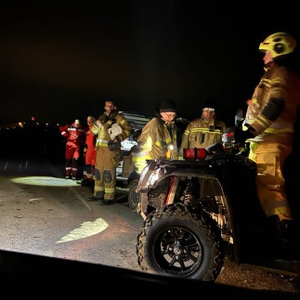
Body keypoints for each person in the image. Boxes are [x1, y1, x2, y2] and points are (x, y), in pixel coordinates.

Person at [234, 32, 300, 248]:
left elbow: (275, 105)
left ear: (279, 51)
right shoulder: (274, 74)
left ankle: (283, 230)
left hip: (270, 141)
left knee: (270, 187)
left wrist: (251, 130)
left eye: (266, 52)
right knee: (262, 186)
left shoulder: (281, 73)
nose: (263, 57)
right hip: (263, 142)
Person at [89, 100, 132, 205]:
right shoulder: (101, 117)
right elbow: (94, 132)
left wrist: (119, 138)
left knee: (108, 173)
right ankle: (98, 193)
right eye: (107, 106)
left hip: (111, 150)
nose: (109, 107)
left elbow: (128, 129)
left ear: (114, 107)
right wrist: (97, 124)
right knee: (98, 172)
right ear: (104, 107)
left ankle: (109, 197)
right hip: (100, 150)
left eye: (111, 106)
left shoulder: (118, 117)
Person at [132, 100, 178, 174]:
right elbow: (141, 149)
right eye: (169, 115)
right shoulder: (154, 125)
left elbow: (173, 150)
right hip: (152, 169)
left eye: (173, 115)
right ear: (161, 113)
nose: (171, 118)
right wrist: (141, 172)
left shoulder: (172, 127)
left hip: (165, 170)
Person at [77, 115, 97, 187]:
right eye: (88, 120)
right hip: (88, 150)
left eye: (91, 120)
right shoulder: (86, 130)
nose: (89, 121)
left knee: (94, 166)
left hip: (95, 151)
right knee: (87, 165)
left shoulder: (96, 130)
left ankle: (93, 181)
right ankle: (86, 179)